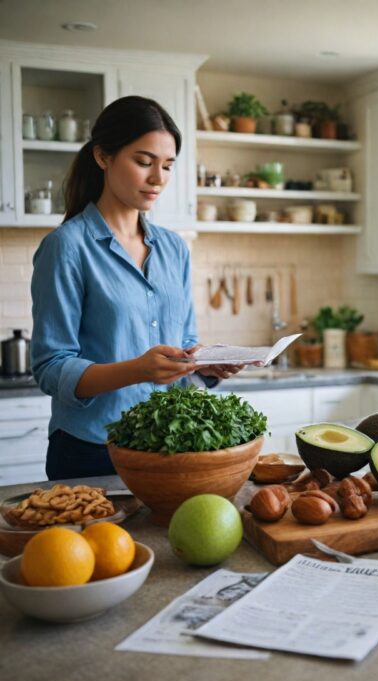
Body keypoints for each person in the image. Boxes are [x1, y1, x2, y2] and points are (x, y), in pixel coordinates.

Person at [31, 96, 243, 481]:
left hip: (166, 446)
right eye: (143, 162)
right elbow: (51, 367)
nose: (158, 178)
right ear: (103, 157)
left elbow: (184, 342)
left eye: (167, 166)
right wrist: (138, 370)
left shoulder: (174, 248)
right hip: (91, 450)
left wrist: (205, 366)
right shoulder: (66, 247)